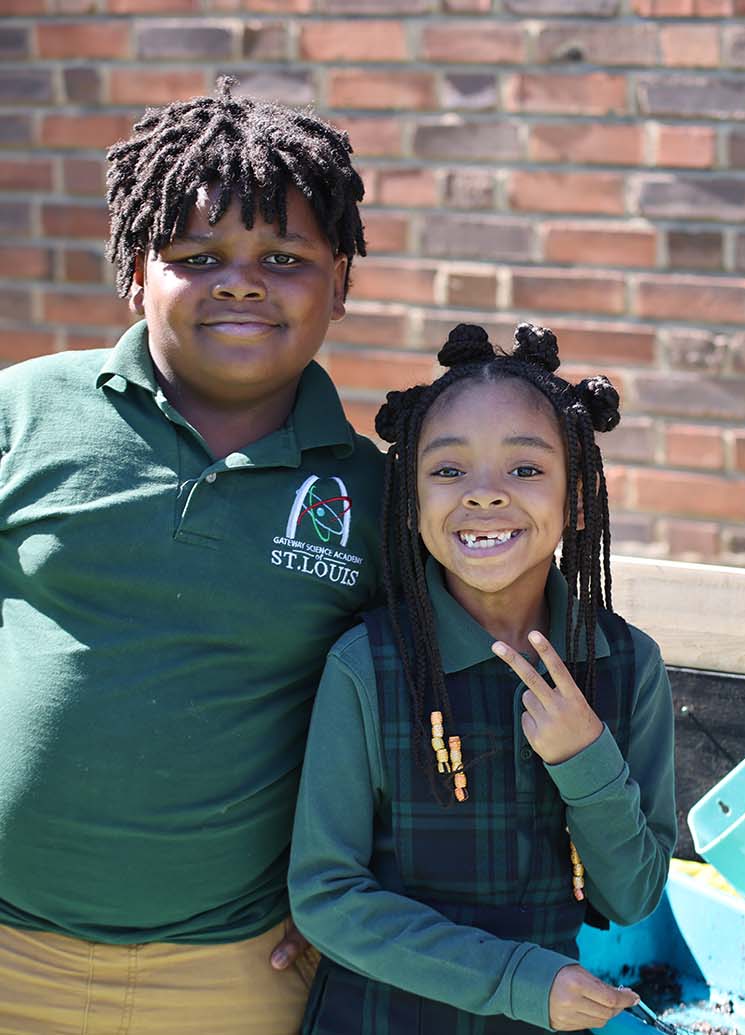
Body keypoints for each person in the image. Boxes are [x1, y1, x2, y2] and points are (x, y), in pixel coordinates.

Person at [0, 78, 383, 1033]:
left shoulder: (377, 493)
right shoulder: (25, 415)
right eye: (197, 255)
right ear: (135, 272)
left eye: (285, 256)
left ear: (341, 282)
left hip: (235, 969)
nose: (241, 280)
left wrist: (360, 876)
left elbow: (415, 705)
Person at [288, 321, 676, 1035]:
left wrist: (585, 756)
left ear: (578, 497)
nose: (485, 494)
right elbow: (326, 895)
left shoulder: (628, 666)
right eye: (447, 470)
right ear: (410, 500)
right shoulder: (366, 666)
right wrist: (512, 977)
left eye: (526, 469)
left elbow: (633, 895)